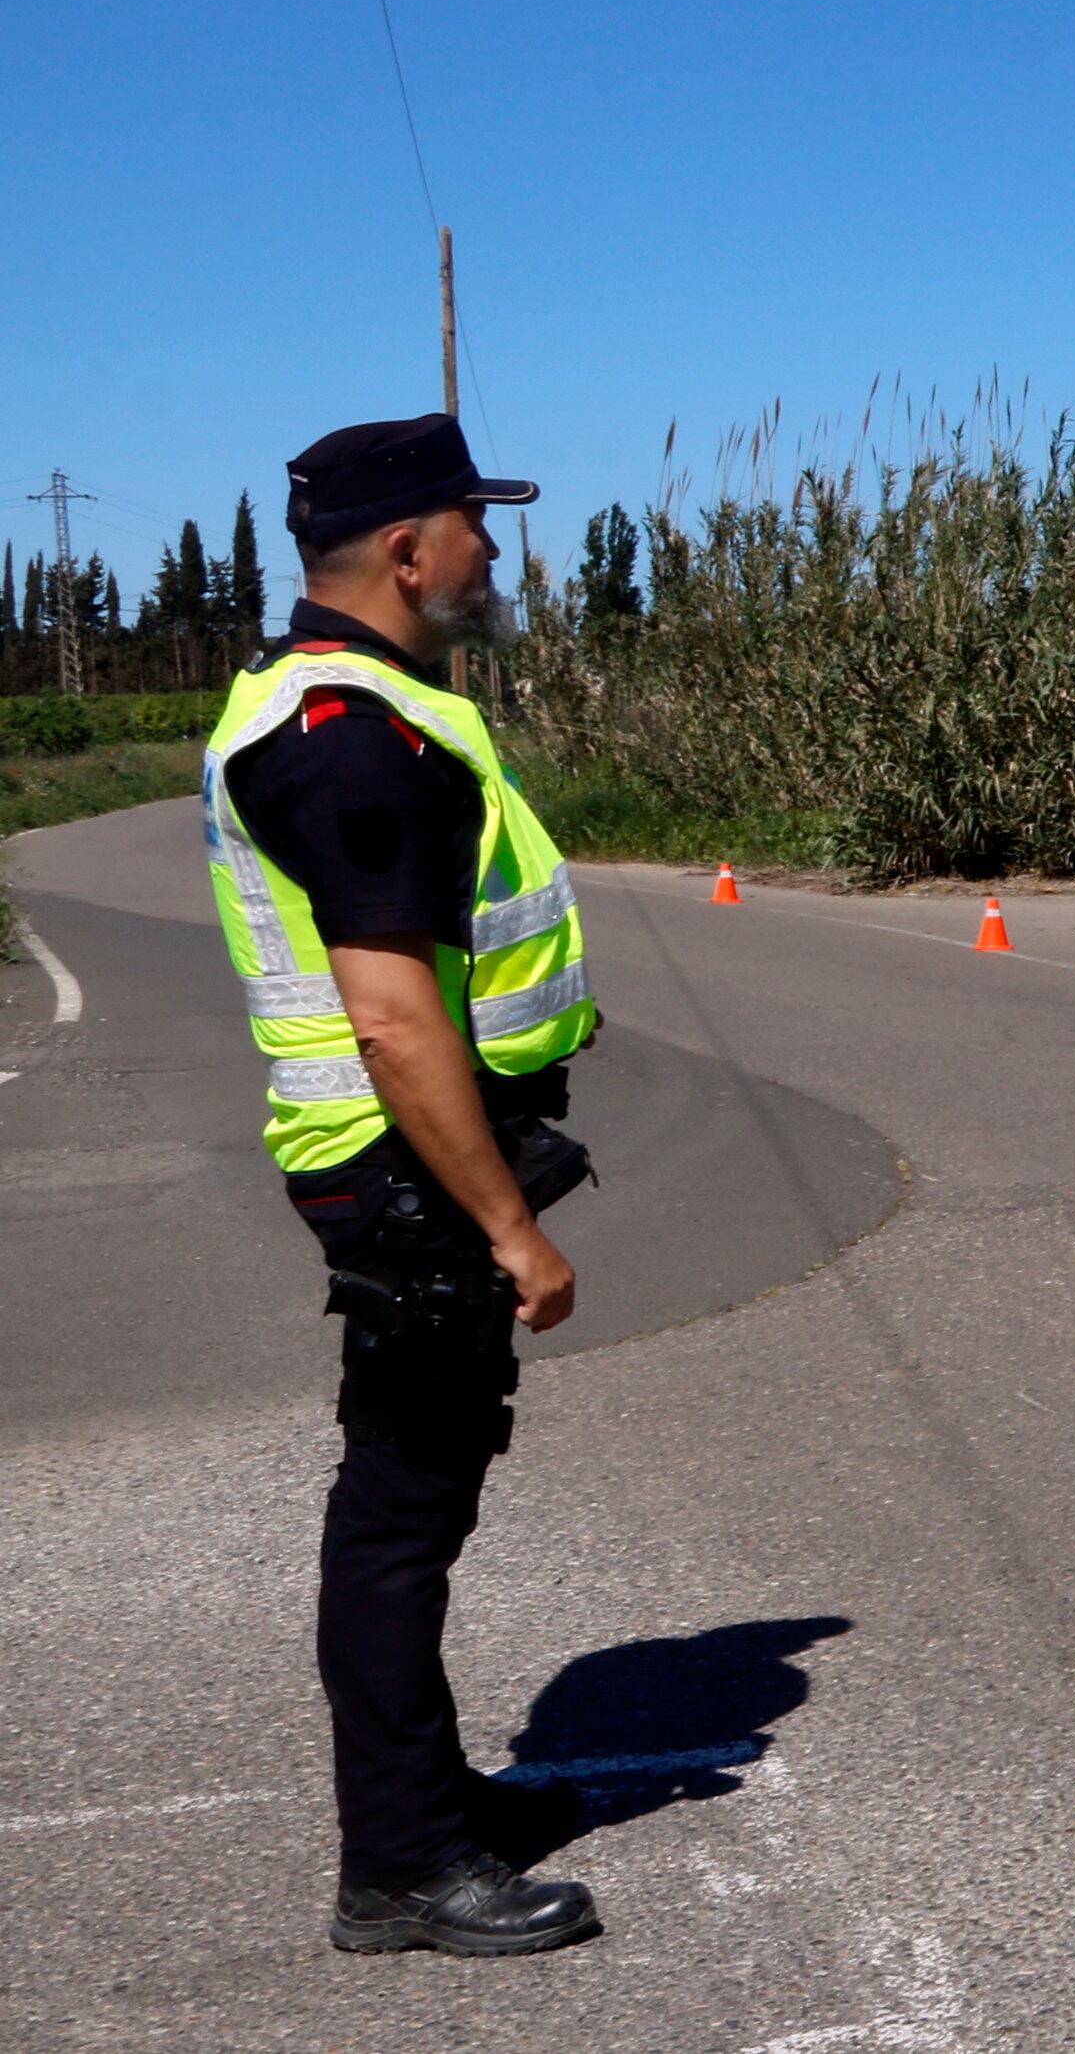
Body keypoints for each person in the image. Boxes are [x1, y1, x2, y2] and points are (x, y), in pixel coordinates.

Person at [206, 416, 609, 1957]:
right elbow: (386, 1013)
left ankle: (428, 1795)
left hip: (408, 1165)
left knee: (417, 1492)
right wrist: (509, 1225)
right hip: (407, 1177)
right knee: (399, 1508)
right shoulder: (350, 733)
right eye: (474, 523)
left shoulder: (335, 697)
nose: (491, 550)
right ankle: (398, 1861)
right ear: (405, 550)